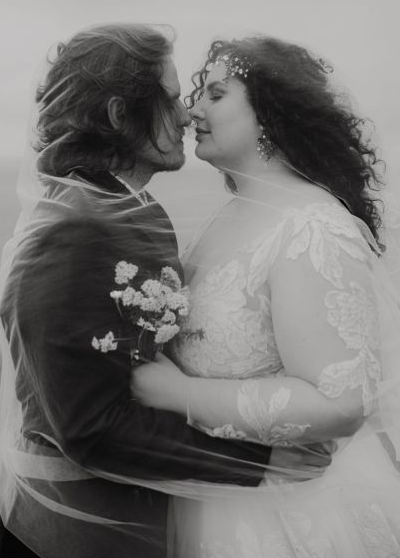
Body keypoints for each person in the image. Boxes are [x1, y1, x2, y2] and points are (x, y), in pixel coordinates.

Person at [0, 24, 284, 558]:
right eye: (172, 97)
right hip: (84, 532)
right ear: (116, 115)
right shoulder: (76, 228)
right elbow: (90, 430)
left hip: (141, 513)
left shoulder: (127, 207)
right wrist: (260, 463)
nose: (185, 114)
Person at [131, 36, 400, 556]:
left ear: (269, 112)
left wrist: (175, 395)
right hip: (222, 499)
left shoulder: (312, 226)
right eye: (196, 95)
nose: (191, 111)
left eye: (215, 93)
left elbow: (341, 401)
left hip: (296, 512)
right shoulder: (229, 217)